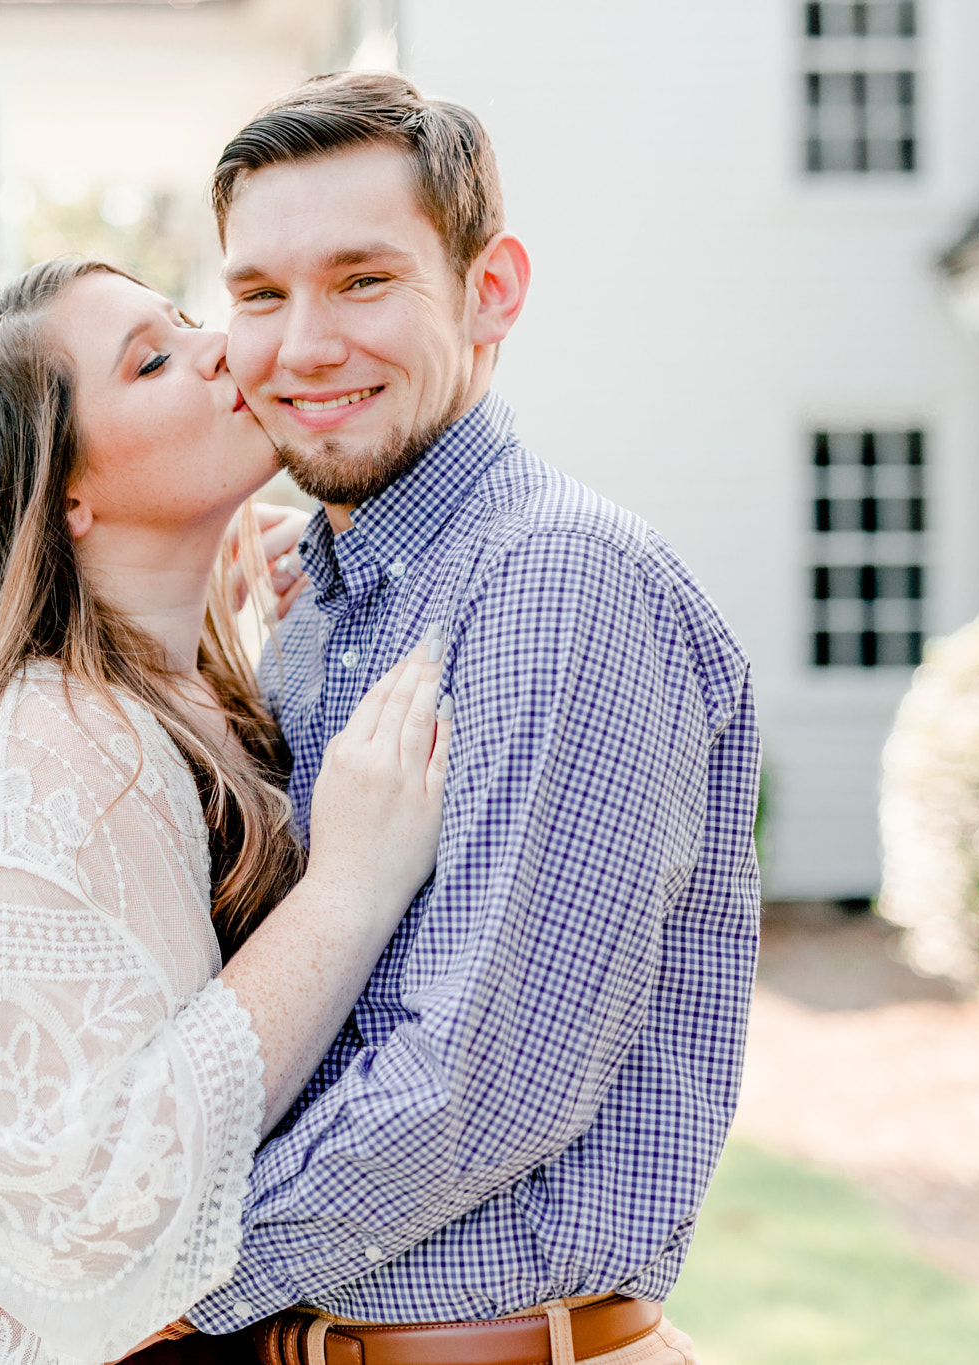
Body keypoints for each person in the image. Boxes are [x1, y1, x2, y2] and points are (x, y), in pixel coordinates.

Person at [141, 72, 762, 1365]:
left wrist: (149, 1295)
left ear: (492, 290)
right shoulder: (316, 608)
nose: (302, 344)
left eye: (363, 280)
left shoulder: (559, 581)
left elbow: (479, 1085)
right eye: (260, 294)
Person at [0, 257, 456, 1365]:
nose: (219, 350)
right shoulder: (40, 744)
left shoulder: (149, 679)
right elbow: (87, 1209)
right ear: (66, 494)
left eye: (188, 322)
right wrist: (349, 888)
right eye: (153, 361)